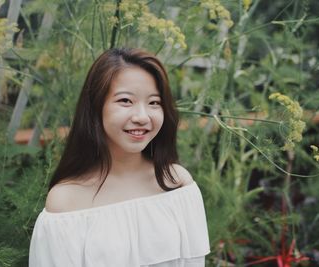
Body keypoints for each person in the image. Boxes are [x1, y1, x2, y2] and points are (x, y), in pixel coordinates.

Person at [29, 48, 210, 267]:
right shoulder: (66, 202)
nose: (142, 117)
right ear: (96, 107)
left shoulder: (176, 183)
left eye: (154, 102)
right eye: (125, 101)